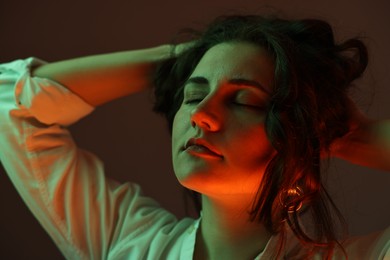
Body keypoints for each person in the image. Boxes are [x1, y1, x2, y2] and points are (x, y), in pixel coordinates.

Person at [0, 14, 389, 259]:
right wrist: (171, 62)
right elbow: (9, 104)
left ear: (299, 136)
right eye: (193, 94)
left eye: (242, 101)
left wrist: (352, 135)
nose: (201, 114)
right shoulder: (129, 242)